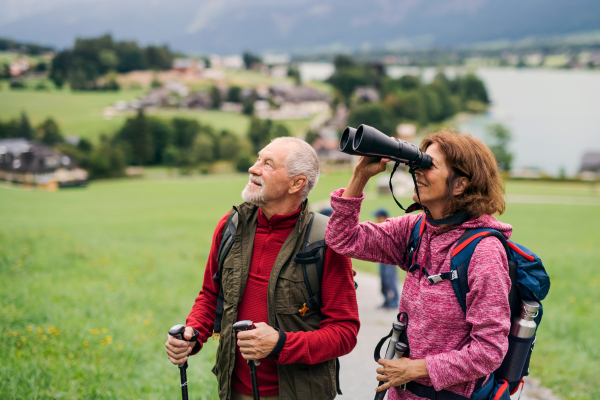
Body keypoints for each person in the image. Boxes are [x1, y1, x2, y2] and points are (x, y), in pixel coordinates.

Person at [165, 137, 360, 400]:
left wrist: (280, 344)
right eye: (258, 159)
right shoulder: (230, 225)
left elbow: (344, 332)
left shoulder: (327, 240)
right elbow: (211, 296)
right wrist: (193, 334)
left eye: (267, 164)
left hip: (299, 394)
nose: (253, 168)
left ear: (296, 183)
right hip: (233, 391)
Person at [325, 131, 511, 400]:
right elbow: (343, 239)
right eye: (417, 162)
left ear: (459, 185)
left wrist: (416, 369)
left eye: (428, 165)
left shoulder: (484, 252)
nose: (417, 171)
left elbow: (489, 350)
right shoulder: (417, 229)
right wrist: (360, 176)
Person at [373, 208, 400, 309]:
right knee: (383, 280)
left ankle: (394, 301)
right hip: (381, 258)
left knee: (390, 280)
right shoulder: (380, 228)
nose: (376, 219)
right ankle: (387, 300)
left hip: (390, 259)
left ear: (382, 217)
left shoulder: (390, 227)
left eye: (377, 217)